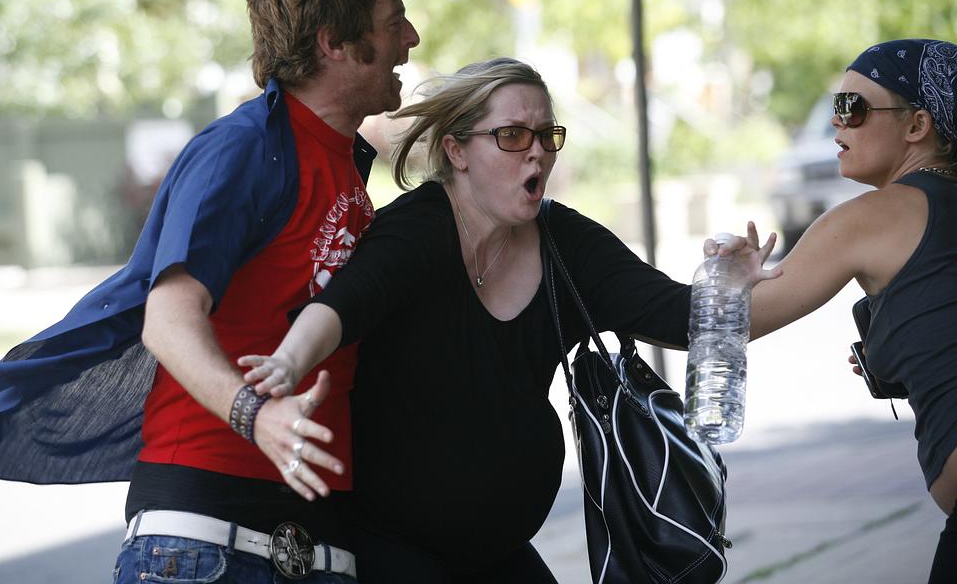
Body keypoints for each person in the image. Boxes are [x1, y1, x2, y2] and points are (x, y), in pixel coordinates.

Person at [0, 0, 420, 584]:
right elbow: (168, 320)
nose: (411, 39)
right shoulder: (242, 149)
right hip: (201, 547)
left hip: (317, 545)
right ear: (333, 43)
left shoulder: (345, 167)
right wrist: (257, 416)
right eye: (393, 23)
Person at [237, 57, 778, 583]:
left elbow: (677, 316)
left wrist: (729, 285)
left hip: (497, 552)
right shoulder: (419, 228)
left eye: (547, 136)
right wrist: (286, 364)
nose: (537, 152)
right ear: (457, 150)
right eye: (513, 136)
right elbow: (343, 305)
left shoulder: (562, 241)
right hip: (389, 544)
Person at [718, 39, 957, 583]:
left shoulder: (870, 217)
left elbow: (724, 324)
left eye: (854, 107)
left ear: (917, 125)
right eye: (835, 107)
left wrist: (724, 281)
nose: (836, 123)